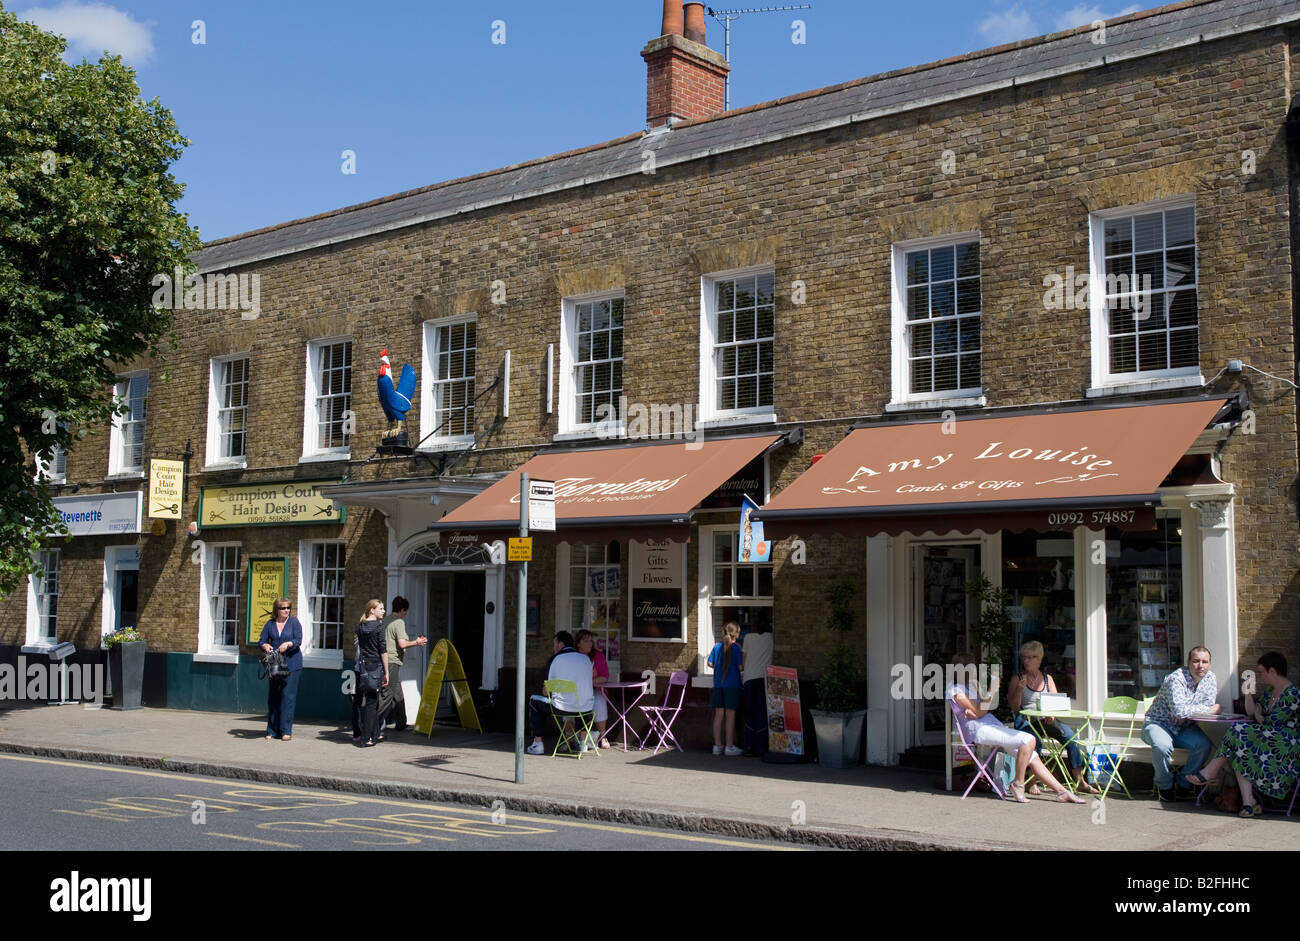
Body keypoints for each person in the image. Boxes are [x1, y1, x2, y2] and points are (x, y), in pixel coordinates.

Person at [947, 652, 1085, 804]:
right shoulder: (954, 690)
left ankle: (1062, 791)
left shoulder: (972, 687)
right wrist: (988, 696)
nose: (976, 670)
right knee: (1028, 739)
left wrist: (980, 706)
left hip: (989, 724)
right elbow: (980, 711)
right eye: (973, 667)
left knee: (1032, 755)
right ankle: (1018, 784)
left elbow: (982, 710)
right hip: (977, 730)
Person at [1186, 652, 1300, 818]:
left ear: (1273, 671)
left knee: (1238, 733)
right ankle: (1248, 803)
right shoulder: (1270, 692)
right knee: (1239, 748)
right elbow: (1253, 714)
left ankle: (1210, 772)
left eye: (1261, 672)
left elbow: (1270, 723)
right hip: (1268, 740)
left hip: (1286, 747)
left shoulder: (1292, 695)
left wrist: (1260, 717)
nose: (1260, 676)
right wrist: (1248, 694)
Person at [1007, 640, 1097, 794]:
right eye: (1024, 657)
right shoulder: (1018, 678)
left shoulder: (1047, 679)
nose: (1026, 661)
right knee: (1036, 742)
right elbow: (1015, 708)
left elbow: (1055, 703)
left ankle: (1080, 781)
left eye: (1030, 657)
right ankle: (1032, 782)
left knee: (1072, 739)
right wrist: (1019, 691)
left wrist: (1052, 714)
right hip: (1026, 720)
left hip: (1045, 720)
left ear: (1039, 659)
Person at [1141, 646, 1220, 801]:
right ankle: (1164, 786)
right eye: (1196, 661)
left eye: (1205, 662)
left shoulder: (1210, 678)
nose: (1200, 666)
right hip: (1159, 723)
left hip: (1185, 727)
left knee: (1203, 744)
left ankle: (1185, 783)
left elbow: (1201, 706)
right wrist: (1207, 710)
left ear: (1210, 664)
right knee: (1162, 746)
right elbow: (1181, 711)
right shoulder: (1176, 679)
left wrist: (1187, 713)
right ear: (1188, 662)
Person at [526, 631, 596, 754]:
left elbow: (545, 692)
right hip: (586, 708)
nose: (553, 648)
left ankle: (537, 743)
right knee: (581, 702)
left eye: (554, 644)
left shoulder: (555, 659)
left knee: (533, 700)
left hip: (561, 708)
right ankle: (582, 743)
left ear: (561, 644)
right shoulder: (586, 659)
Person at [378, 596, 426, 733]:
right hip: (392, 661)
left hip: (384, 660)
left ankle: (401, 723)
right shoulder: (399, 622)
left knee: (397, 694)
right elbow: (402, 643)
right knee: (387, 694)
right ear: (403, 610)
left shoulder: (385, 620)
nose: (406, 614)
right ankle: (372, 723)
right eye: (405, 611)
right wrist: (417, 642)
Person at [259, 597, 303, 741]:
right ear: (276, 610)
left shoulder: (294, 622)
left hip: (292, 663)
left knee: (287, 698)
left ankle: (285, 730)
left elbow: (298, 640)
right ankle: (271, 730)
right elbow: (262, 640)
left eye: (288, 608)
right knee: (273, 698)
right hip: (275, 665)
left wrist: (289, 644)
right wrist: (265, 645)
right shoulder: (270, 624)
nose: (286, 611)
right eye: (283, 608)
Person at [351, 599, 390, 747]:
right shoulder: (379, 627)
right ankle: (367, 737)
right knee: (372, 703)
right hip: (375, 666)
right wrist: (386, 672)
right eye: (380, 608)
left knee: (365, 701)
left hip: (362, 667)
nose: (383, 611)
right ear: (371, 610)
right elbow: (383, 650)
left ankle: (374, 734)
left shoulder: (360, 627)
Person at [708, 622, 744, 756]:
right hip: (732, 685)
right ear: (737, 634)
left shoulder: (717, 646)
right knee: (730, 716)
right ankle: (729, 747)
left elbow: (710, 663)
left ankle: (717, 746)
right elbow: (741, 667)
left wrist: (719, 668)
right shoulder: (736, 648)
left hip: (718, 685)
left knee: (718, 716)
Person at [741, 617, 774, 757]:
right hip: (765, 678)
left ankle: (749, 746)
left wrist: (742, 671)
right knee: (762, 713)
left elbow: (744, 659)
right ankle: (761, 746)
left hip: (749, 678)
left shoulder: (748, 637)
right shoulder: (772, 637)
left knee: (749, 712)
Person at [575, 629, 610, 748]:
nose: (590, 643)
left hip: (594, 691)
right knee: (566, 703)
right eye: (586, 641)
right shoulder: (573, 657)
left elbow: (604, 677)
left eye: (591, 641)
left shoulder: (597, 656)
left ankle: (603, 736)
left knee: (599, 701)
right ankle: (568, 738)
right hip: (575, 693)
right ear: (578, 643)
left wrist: (587, 683)